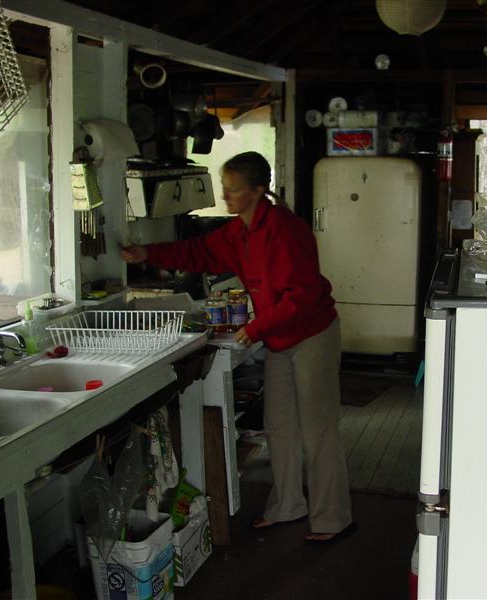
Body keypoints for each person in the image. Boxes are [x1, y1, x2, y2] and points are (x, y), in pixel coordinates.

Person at [121, 152, 354, 543]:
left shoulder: (284, 230)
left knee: (319, 431)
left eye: (233, 190)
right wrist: (149, 253)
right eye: (225, 188)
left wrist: (255, 327)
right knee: (279, 426)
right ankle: (288, 506)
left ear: (258, 191)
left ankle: (333, 518)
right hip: (279, 337)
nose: (226, 196)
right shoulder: (239, 231)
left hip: (312, 335)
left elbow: (302, 295)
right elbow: (200, 251)